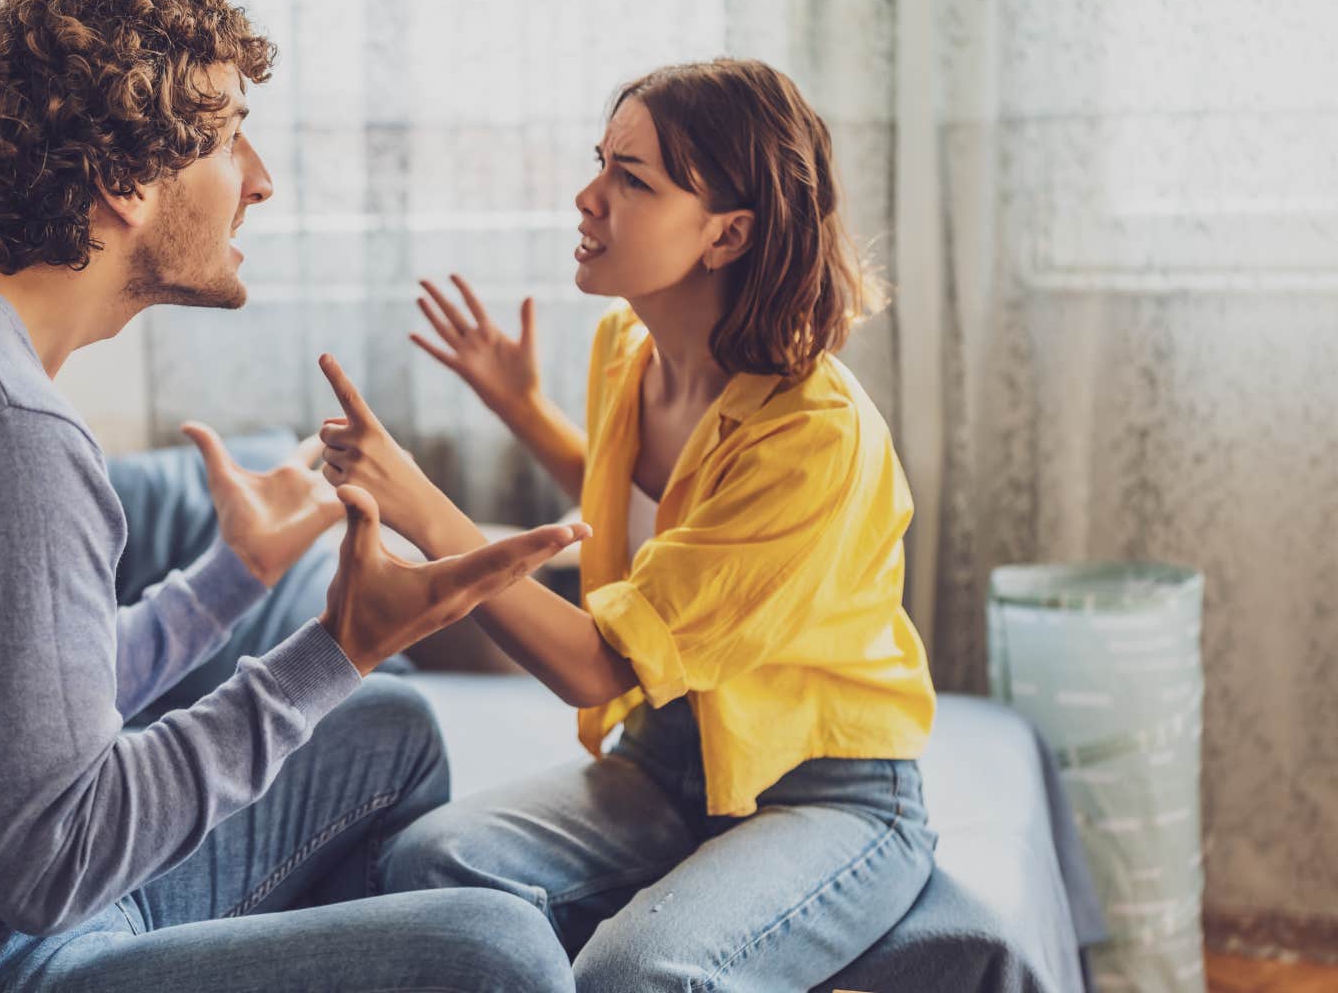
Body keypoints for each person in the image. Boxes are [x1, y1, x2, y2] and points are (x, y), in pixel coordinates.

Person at [0, 0, 582, 993]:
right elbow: (58, 862)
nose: (260, 179)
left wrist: (232, 580)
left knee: (387, 730)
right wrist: (343, 643)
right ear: (124, 183)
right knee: (499, 952)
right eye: (229, 137)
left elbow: (21, 709)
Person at [315, 58, 940, 991]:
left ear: (727, 234)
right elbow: (662, 522)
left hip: (824, 790)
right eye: (600, 163)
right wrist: (524, 408)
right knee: (429, 866)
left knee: (637, 973)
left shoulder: (813, 436)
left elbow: (598, 665)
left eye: (632, 179)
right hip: (664, 759)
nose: (588, 196)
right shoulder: (628, 350)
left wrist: (423, 507)